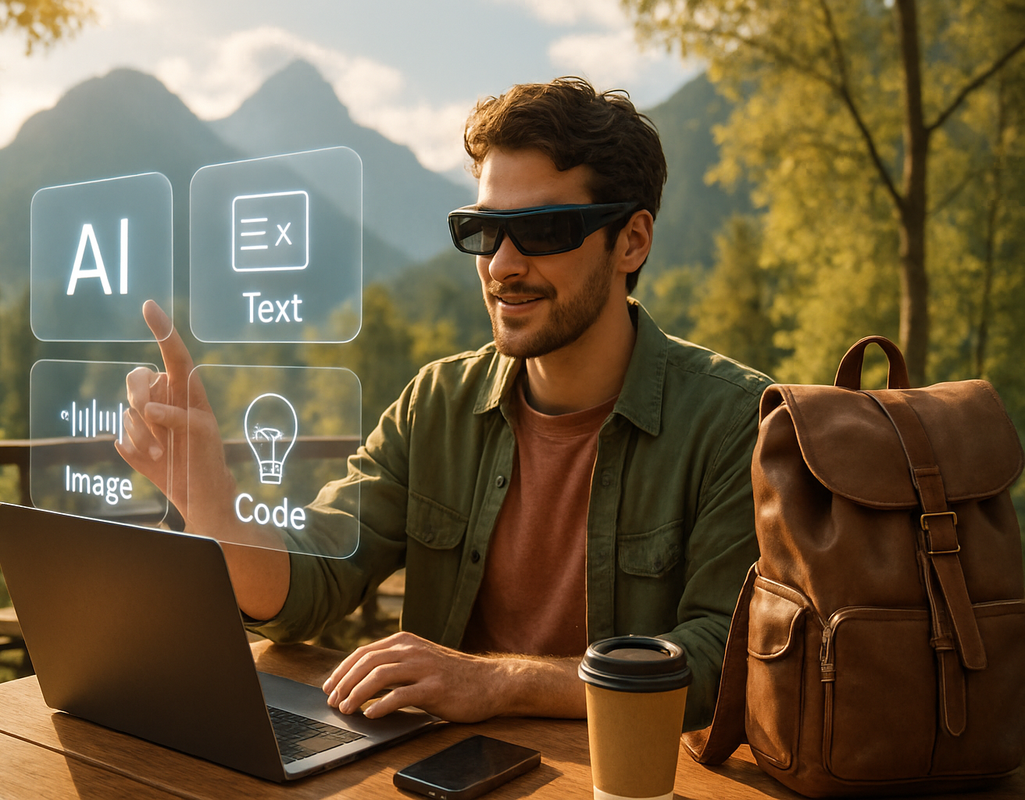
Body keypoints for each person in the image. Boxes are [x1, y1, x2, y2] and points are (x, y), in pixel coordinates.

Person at [118, 77, 770, 731]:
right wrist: (211, 499)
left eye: (542, 230)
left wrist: (499, 682)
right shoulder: (435, 405)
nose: (501, 265)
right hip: (440, 775)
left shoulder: (735, 423)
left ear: (631, 241)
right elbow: (308, 588)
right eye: (485, 231)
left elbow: (721, 660)